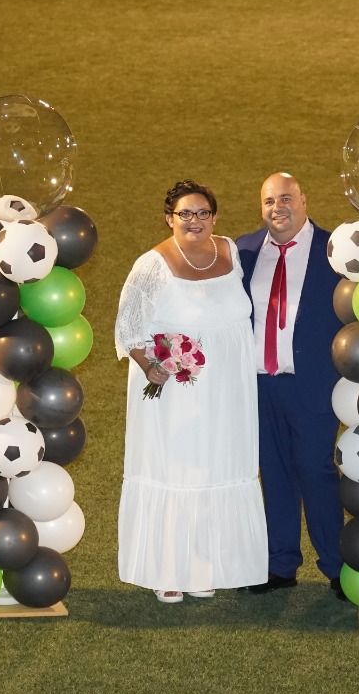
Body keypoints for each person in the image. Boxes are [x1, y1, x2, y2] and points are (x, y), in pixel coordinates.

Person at [115, 180, 269, 603]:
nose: (195, 221)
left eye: (202, 213)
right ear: (170, 218)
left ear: (215, 218)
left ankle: (204, 566)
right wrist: (152, 367)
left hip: (229, 390)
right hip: (177, 390)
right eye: (185, 214)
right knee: (178, 468)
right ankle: (167, 570)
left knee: (216, 466)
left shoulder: (231, 253)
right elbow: (127, 329)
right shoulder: (151, 264)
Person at [236, 173, 346, 599]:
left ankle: (337, 567)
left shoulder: (336, 251)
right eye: (268, 201)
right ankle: (279, 564)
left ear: (304, 200)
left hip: (313, 384)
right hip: (259, 385)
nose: (276, 208)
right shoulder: (244, 251)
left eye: (285, 199)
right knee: (273, 473)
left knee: (316, 471)